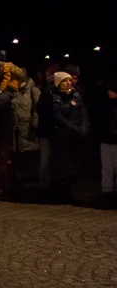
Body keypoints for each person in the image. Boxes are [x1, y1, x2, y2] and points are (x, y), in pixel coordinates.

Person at [48, 71, 89, 203]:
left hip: (75, 137)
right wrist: (74, 128)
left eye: (70, 80)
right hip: (62, 136)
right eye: (65, 81)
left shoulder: (76, 95)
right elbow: (58, 116)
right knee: (60, 165)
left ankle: (69, 192)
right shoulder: (54, 96)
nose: (68, 83)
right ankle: (58, 193)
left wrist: (83, 128)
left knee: (73, 166)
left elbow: (84, 114)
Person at [100, 83, 117, 206]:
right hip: (107, 139)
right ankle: (107, 192)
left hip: (111, 139)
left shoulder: (109, 106)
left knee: (111, 166)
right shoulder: (106, 105)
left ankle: (109, 192)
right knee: (107, 167)